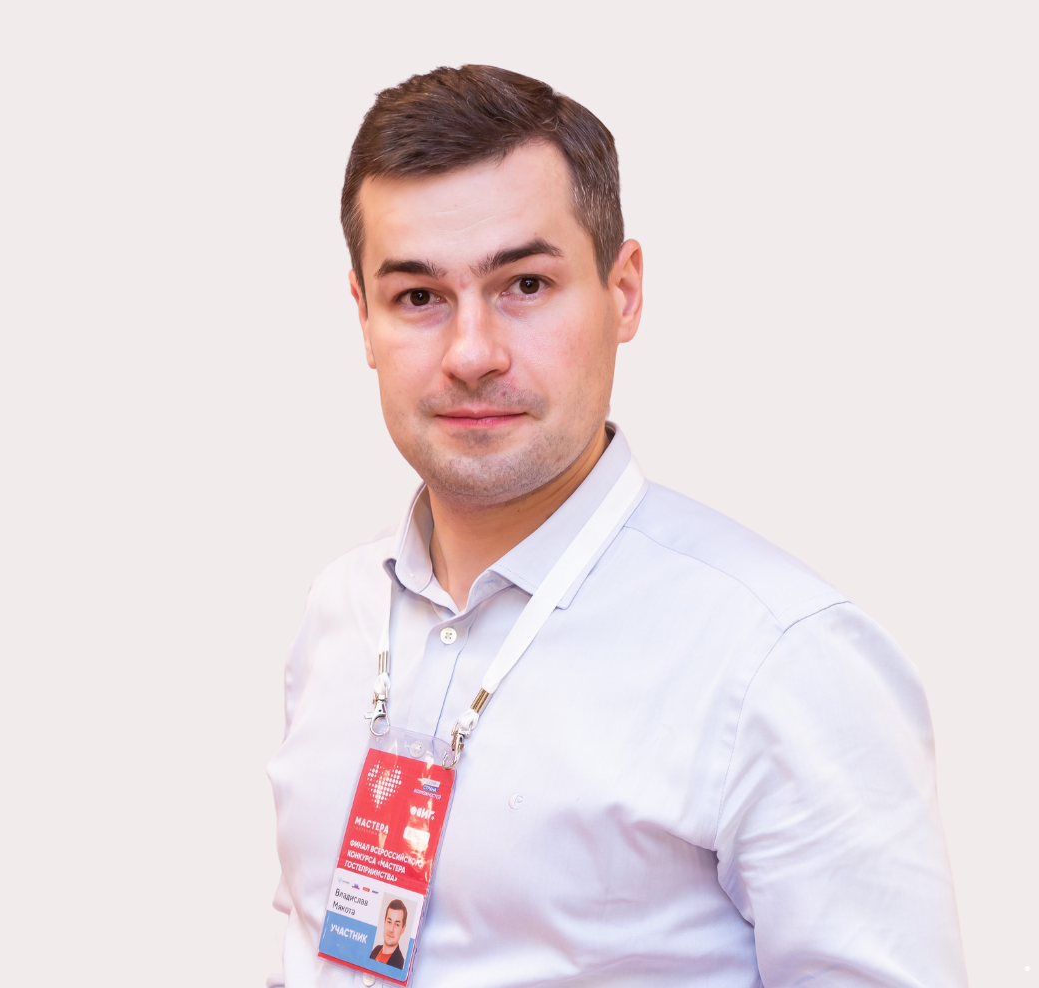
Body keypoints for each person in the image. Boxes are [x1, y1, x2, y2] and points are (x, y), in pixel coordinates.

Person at [267, 65, 967, 986]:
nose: (472, 354)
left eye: (525, 283)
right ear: (363, 317)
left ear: (624, 290)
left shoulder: (781, 660)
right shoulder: (340, 614)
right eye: (419, 298)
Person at [368, 901, 407, 969]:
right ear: (384, 923)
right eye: (389, 922)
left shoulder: (400, 965)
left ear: (403, 929)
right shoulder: (376, 950)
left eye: (397, 924)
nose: (391, 929)